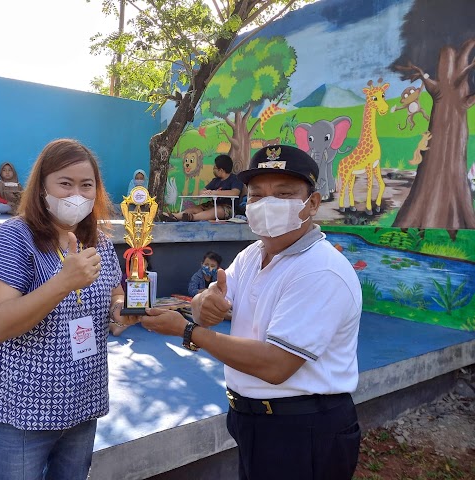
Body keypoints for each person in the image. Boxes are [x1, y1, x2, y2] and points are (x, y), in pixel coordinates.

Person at [142, 145, 362, 480]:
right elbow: (211, 297)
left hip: (303, 429)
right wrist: (204, 304)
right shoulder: (251, 254)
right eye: (257, 195)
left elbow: (276, 364)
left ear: (312, 204)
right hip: (254, 420)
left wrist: (188, 331)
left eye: (284, 194)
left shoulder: (320, 270)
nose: (267, 204)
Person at [0, 138, 140, 480]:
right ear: (41, 187)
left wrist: (123, 312)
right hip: (23, 411)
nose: (76, 194)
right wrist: (63, 282)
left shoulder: (100, 242)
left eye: (86, 185)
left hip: (83, 403)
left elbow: (115, 295)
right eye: (65, 183)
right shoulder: (12, 239)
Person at [163, 154, 243, 222]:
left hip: (228, 208)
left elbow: (235, 192)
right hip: (212, 204)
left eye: (215, 168)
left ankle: (192, 217)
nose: (213, 170)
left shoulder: (235, 179)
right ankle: (175, 216)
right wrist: (206, 192)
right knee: (196, 208)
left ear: (221, 170)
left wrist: (215, 192)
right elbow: (202, 191)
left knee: (216, 211)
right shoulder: (215, 181)